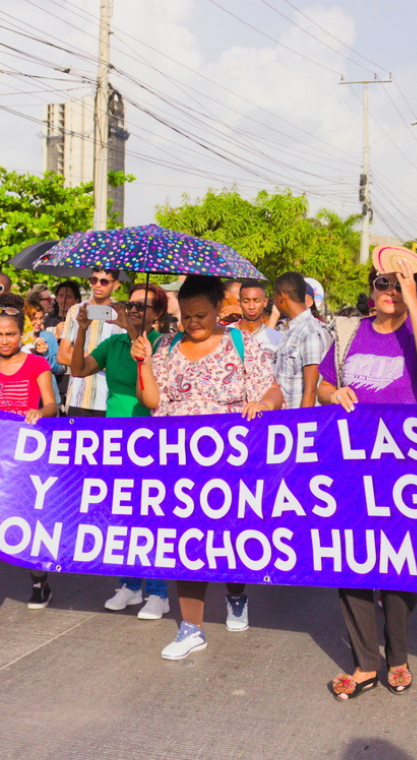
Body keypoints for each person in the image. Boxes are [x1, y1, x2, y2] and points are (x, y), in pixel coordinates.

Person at [317, 245, 417, 698]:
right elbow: (322, 383)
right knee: (351, 561)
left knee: (398, 565)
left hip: (405, 471)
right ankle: (365, 663)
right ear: (371, 290)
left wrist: (414, 303)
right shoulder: (353, 331)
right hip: (352, 467)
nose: (390, 291)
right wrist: (332, 394)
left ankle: (398, 653)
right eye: (383, 283)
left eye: (400, 284)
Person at [134, 275, 284, 659]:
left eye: (200, 315)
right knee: (186, 542)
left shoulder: (240, 341)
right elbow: (153, 399)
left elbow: (273, 389)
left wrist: (263, 405)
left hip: (231, 463)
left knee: (229, 540)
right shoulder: (166, 344)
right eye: (185, 316)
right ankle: (191, 627)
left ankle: (236, 594)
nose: (193, 323)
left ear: (220, 310)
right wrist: (144, 363)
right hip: (179, 463)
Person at [70, 283, 171, 620]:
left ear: (158, 314)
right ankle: (130, 584)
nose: (134, 310)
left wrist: (132, 331)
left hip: (154, 437)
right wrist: (82, 329)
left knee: (152, 517)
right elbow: (79, 369)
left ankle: (158, 592)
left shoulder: (164, 344)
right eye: (130, 305)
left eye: (143, 306)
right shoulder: (113, 342)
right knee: (124, 514)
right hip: (117, 437)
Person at [0, 304, 57, 626]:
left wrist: (39, 413)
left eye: (12, 334)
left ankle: (39, 581)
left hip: (30, 459)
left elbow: (52, 406)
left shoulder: (36, 363)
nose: (5, 341)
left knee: (30, 522)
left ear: (23, 334)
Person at [58, 268, 123, 418]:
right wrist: (100, 360)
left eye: (104, 281)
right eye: (94, 280)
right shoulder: (76, 311)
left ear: (116, 284)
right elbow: (62, 355)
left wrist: (80, 357)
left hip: (109, 398)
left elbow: (121, 359)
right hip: (78, 398)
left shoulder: (121, 315)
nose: (98, 285)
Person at [272, 272, 333, 409]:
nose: (273, 302)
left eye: (274, 296)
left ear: (282, 296)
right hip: (281, 421)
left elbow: (311, 390)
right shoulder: (288, 329)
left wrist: (304, 424)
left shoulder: (309, 332)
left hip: (297, 422)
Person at [232, 279, 281, 362]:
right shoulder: (225, 334)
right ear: (240, 302)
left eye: (256, 301)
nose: (251, 306)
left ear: (265, 302)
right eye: (246, 301)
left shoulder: (276, 338)